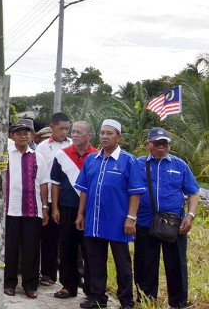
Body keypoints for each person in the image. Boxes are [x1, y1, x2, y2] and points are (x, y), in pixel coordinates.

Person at [75, 119, 145, 309]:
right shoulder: (91, 160)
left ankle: (126, 300)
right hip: (94, 220)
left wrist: (131, 218)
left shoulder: (128, 160)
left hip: (118, 221)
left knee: (122, 263)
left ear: (119, 137)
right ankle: (98, 298)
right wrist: (81, 215)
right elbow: (84, 190)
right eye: (103, 133)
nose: (105, 136)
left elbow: (135, 192)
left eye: (110, 133)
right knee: (95, 261)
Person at [134, 127, 199, 309]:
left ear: (169, 146)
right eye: (157, 143)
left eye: (165, 144)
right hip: (145, 223)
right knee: (144, 265)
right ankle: (145, 301)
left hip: (174, 224)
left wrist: (190, 216)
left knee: (176, 264)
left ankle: (178, 303)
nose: (161, 147)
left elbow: (193, 193)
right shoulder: (137, 164)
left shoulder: (179, 165)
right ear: (148, 144)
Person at [50, 120, 98, 300]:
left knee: (90, 250)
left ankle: (91, 289)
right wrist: (54, 207)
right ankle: (68, 286)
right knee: (67, 248)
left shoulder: (97, 155)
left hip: (90, 210)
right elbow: (55, 183)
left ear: (90, 136)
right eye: (74, 132)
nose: (75, 135)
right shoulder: (62, 155)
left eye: (79, 132)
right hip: (67, 208)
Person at [3, 123, 50, 299]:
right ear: (12, 136)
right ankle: (9, 283)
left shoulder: (38, 156)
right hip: (10, 210)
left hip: (33, 210)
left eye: (26, 134)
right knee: (10, 249)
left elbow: (44, 182)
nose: (23, 137)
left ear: (31, 137)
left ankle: (30, 285)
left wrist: (45, 207)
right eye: (19, 134)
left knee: (31, 249)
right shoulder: (5, 156)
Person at [35, 111, 72, 287]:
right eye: (61, 128)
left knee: (69, 240)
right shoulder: (42, 147)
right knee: (49, 239)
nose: (64, 132)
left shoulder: (72, 145)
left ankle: (72, 275)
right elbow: (40, 175)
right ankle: (48, 274)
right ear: (52, 128)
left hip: (68, 200)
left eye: (67, 129)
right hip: (49, 199)